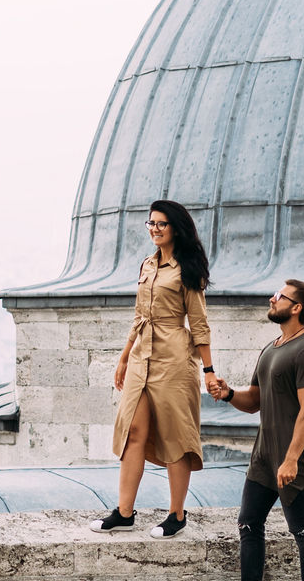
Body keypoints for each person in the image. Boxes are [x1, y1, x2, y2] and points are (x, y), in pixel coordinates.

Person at [89, 199, 217, 539]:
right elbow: (139, 317)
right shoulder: (147, 265)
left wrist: (209, 370)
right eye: (151, 223)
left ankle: (176, 514)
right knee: (134, 430)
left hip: (174, 359)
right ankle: (124, 512)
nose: (155, 229)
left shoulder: (187, 268)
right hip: (141, 357)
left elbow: (199, 323)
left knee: (176, 436)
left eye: (161, 223)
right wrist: (124, 356)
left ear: (175, 227)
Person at [208, 279, 304, 581]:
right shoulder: (271, 348)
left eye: (280, 296)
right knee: (248, 523)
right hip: (264, 455)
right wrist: (230, 393)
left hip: (294, 457)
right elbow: (254, 401)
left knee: (302, 531)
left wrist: (291, 459)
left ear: (296, 308)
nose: (272, 299)